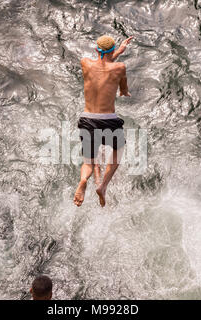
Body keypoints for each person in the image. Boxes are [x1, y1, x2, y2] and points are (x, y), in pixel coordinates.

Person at [73, 35, 133, 207]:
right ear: (113, 51)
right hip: (108, 120)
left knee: (88, 162)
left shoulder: (85, 63)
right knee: (118, 149)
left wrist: (116, 52)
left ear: (96, 50)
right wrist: (124, 92)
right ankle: (103, 186)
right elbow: (122, 89)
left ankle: (84, 180)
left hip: (88, 119)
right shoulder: (120, 68)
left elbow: (101, 67)